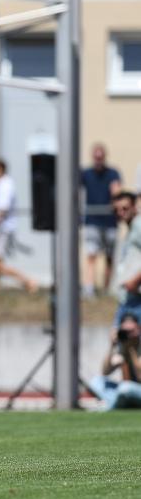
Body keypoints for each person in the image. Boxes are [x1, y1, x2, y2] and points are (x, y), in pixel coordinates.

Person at [0, 159, 37, 302]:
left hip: (4, 229)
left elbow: (3, 209)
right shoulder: (0, 184)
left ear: (0, 169)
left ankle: (27, 281)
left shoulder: (6, 184)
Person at [80, 143, 121, 297]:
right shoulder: (86, 174)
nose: (98, 160)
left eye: (101, 157)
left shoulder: (112, 173)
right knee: (91, 255)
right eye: (96, 157)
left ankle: (106, 288)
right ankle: (89, 288)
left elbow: (116, 190)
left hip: (110, 222)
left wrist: (116, 201)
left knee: (109, 257)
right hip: (92, 221)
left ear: (104, 157)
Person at [87, 313, 141, 410]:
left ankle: (110, 407)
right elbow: (105, 372)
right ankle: (117, 404)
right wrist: (112, 346)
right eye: (125, 331)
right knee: (96, 381)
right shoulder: (123, 348)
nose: (128, 335)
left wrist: (131, 349)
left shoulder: (137, 348)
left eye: (131, 331)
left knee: (125, 387)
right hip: (124, 391)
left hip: (135, 389)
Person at [112, 191, 141, 327]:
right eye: (116, 209)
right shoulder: (130, 229)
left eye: (125, 208)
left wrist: (134, 281)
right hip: (128, 299)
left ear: (134, 207)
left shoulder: (139, 226)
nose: (120, 212)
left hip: (137, 299)